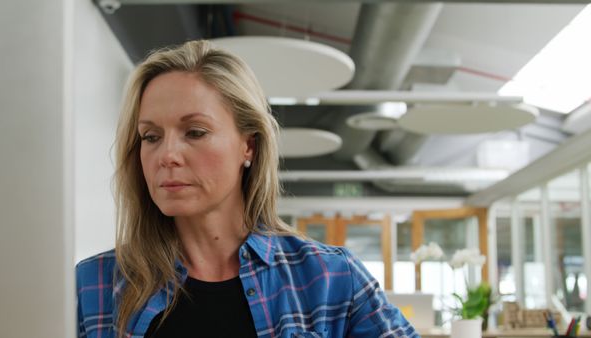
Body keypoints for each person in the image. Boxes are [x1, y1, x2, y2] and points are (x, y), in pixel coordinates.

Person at [76, 39, 419, 338]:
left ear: (249, 147)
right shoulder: (94, 284)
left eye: (195, 132)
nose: (167, 155)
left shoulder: (330, 277)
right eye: (150, 136)